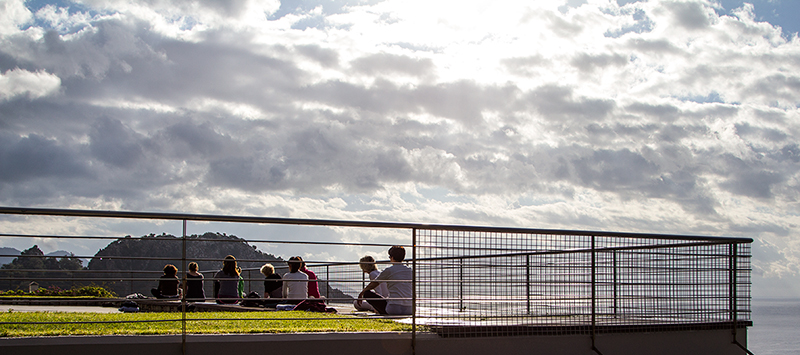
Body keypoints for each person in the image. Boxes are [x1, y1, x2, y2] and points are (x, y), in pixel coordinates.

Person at [357, 246, 412, 315]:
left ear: (392, 257)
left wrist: (362, 293)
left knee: (367, 293)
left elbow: (374, 284)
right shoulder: (410, 271)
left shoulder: (389, 270)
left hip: (394, 308)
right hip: (410, 309)